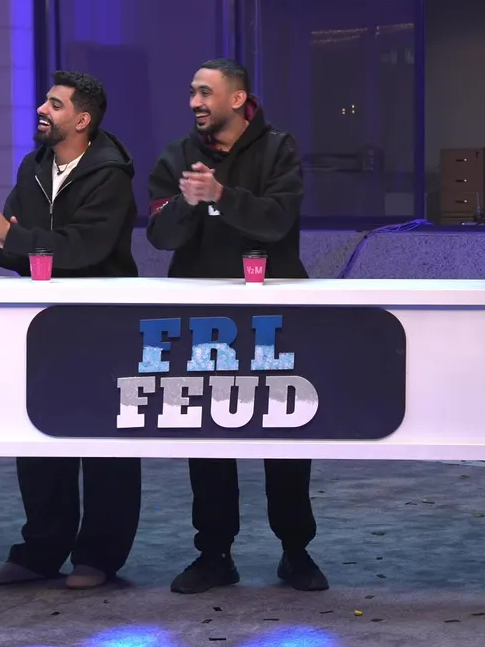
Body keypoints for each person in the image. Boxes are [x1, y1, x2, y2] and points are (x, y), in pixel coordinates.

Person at [146, 58, 327, 594]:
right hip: (202, 314)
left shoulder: (278, 149)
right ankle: (214, 553)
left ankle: (295, 550)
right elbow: (160, 235)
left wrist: (222, 196)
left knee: (285, 430)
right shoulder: (177, 156)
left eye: (205, 92)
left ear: (237, 98)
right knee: (205, 433)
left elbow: (276, 220)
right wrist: (188, 202)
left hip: (273, 309)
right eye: (192, 92)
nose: (195, 102)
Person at [0, 70, 141, 589]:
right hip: (43, 319)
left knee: (105, 441)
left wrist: (14, 238)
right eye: (45, 101)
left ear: (82, 119)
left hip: (101, 321)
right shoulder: (34, 166)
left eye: (55, 104)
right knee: (40, 435)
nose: (42, 109)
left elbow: (86, 248)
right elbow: (14, 249)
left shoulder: (110, 175)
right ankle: (40, 551)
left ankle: (99, 556)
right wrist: (8, 240)